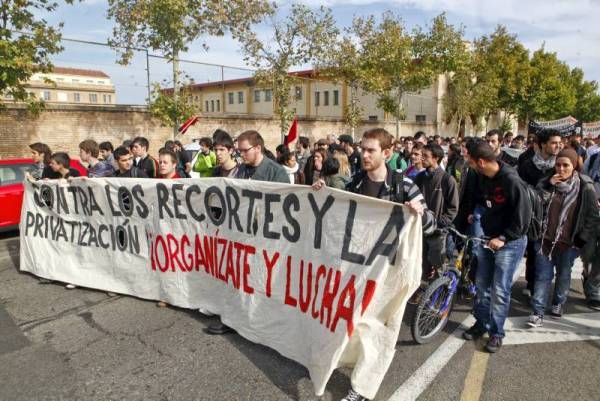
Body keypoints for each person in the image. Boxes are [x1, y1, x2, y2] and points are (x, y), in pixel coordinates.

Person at [336, 128, 435, 401]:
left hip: (391, 273)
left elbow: (431, 226)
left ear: (387, 153)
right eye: (362, 149)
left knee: (381, 331)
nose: (364, 154)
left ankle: (361, 389)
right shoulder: (355, 183)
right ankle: (348, 362)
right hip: (360, 267)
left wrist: (420, 214)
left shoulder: (405, 186)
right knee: (356, 322)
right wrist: (321, 193)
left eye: (371, 150)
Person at [207, 130, 289, 336]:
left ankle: (259, 320)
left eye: (245, 150)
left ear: (258, 148)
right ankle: (234, 318)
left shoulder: (276, 172)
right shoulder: (240, 170)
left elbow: (285, 204)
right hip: (241, 233)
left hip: (264, 236)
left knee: (259, 280)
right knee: (237, 276)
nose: (241, 154)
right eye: (240, 150)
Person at [461, 139, 530, 354]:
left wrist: (504, 238)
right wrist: (477, 214)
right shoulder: (483, 177)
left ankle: (496, 333)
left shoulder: (511, 180)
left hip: (509, 243)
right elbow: (485, 201)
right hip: (487, 238)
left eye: (470, 162)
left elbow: (523, 218)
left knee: (500, 290)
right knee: (482, 285)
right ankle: (481, 323)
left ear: (481, 161)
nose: (469, 165)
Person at [528, 149, 600, 327]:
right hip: (544, 240)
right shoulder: (546, 182)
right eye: (558, 164)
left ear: (574, 165)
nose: (561, 169)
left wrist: (581, 239)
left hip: (569, 243)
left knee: (563, 274)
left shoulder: (586, 186)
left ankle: (558, 302)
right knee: (543, 276)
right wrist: (547, 187)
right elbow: (534, 204)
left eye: (565, 165)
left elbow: (592, 216)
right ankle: (537, 312)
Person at [518, 129, 562, 296]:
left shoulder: (561, 164)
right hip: (533, 215)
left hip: (555, 215)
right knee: (533, 250)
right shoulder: (528, 165)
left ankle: (542, 288)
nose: (558, 146)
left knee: (547, 253)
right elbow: (523, 190)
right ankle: (531, 285)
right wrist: (546, 183)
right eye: (553, 142)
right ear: (543, 145)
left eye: (559, 142)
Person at [414, 143, 459, 285]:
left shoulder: (447, 180)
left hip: (438, 232)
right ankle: (422, 291)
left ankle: (440, 296)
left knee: (438, 265)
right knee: (421, 263)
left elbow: (453, 208)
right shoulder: (420, 177)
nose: (422, 159)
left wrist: (440, 223)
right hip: (420, 229)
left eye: (426, 156)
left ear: (436, 158)